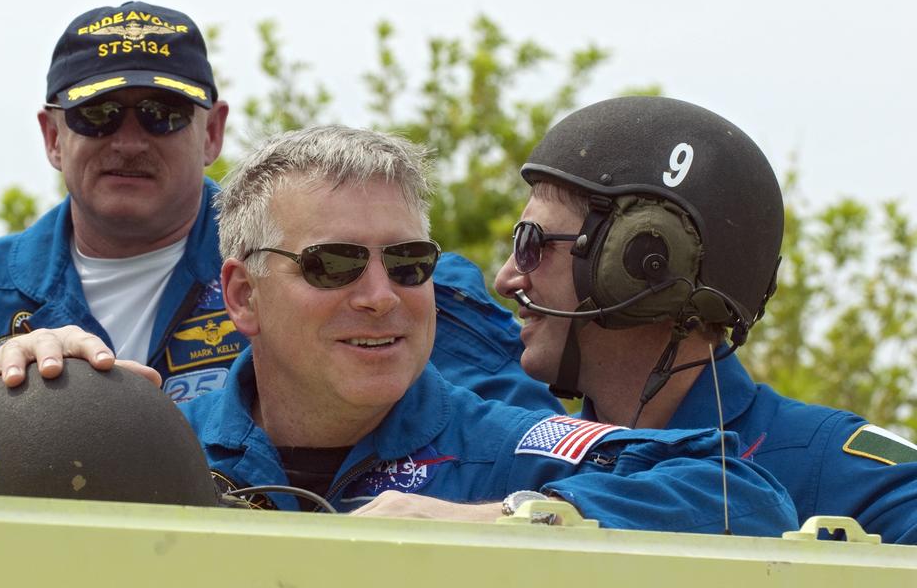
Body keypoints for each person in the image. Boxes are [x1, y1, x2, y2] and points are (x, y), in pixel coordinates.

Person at [0, 1, 557, 486]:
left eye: (161, 113)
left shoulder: (392, 285)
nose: (130, 140)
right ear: (53, 136)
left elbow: (520, 441)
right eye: (99, 116)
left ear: (212, 131)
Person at [0, 124, 791, 532]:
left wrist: (486, 522)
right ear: (241, 296)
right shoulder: (167, 446)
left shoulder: (504, 449)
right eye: (334, 265)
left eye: (411, 264)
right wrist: (21, 404)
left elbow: (741, 494)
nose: (382, 296)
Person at [393, 95, 917, 543]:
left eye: (533, 244)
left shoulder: (827, 463)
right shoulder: (530, 459)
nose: (507, 278)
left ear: (645, 261)